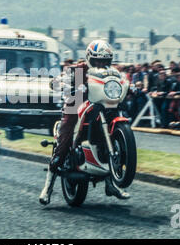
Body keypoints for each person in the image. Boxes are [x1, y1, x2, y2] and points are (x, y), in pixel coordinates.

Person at [39, 40, 130, 205]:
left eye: (105, 61)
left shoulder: (112, 72)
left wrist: (130, 87)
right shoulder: (79, 70)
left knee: (108, 135)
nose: (101, 64)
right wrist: (63, 84)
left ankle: (111, 184)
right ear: (89, 58)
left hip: (103, 105)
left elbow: (121, 81)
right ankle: (48, 188)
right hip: (77, 104)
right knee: (65, 138)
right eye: (98, 60)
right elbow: (58, 81)